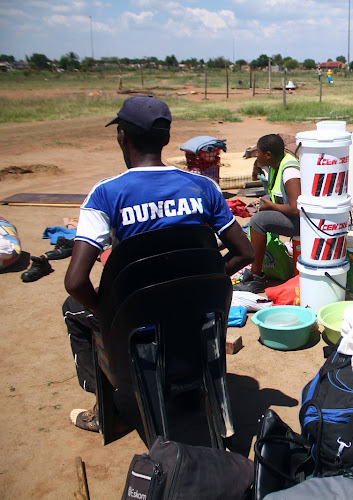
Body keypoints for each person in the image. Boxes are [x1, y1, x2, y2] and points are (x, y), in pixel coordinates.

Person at [63, 96, 254, 433]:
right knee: (175, 308)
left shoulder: (106, 194)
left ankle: (106, 409)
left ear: (123, 136)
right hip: (194, 310)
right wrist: (205, 278)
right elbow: (245, 253)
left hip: (136, 318)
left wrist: (107, 311)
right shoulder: (203, 187)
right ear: (166, 139)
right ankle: (189, 386)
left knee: (72, 307)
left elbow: (76, 282)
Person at [238, 134, 301, 293]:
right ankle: (267, 260)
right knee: (264, 202)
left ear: (268, 155)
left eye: (258, 152)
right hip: (293, 217)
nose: (256, 155)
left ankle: (255, 277)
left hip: (303, 222)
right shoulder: (275, 164)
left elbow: (296, 208)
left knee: (258, 221)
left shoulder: (290, 171)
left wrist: (272, 206)